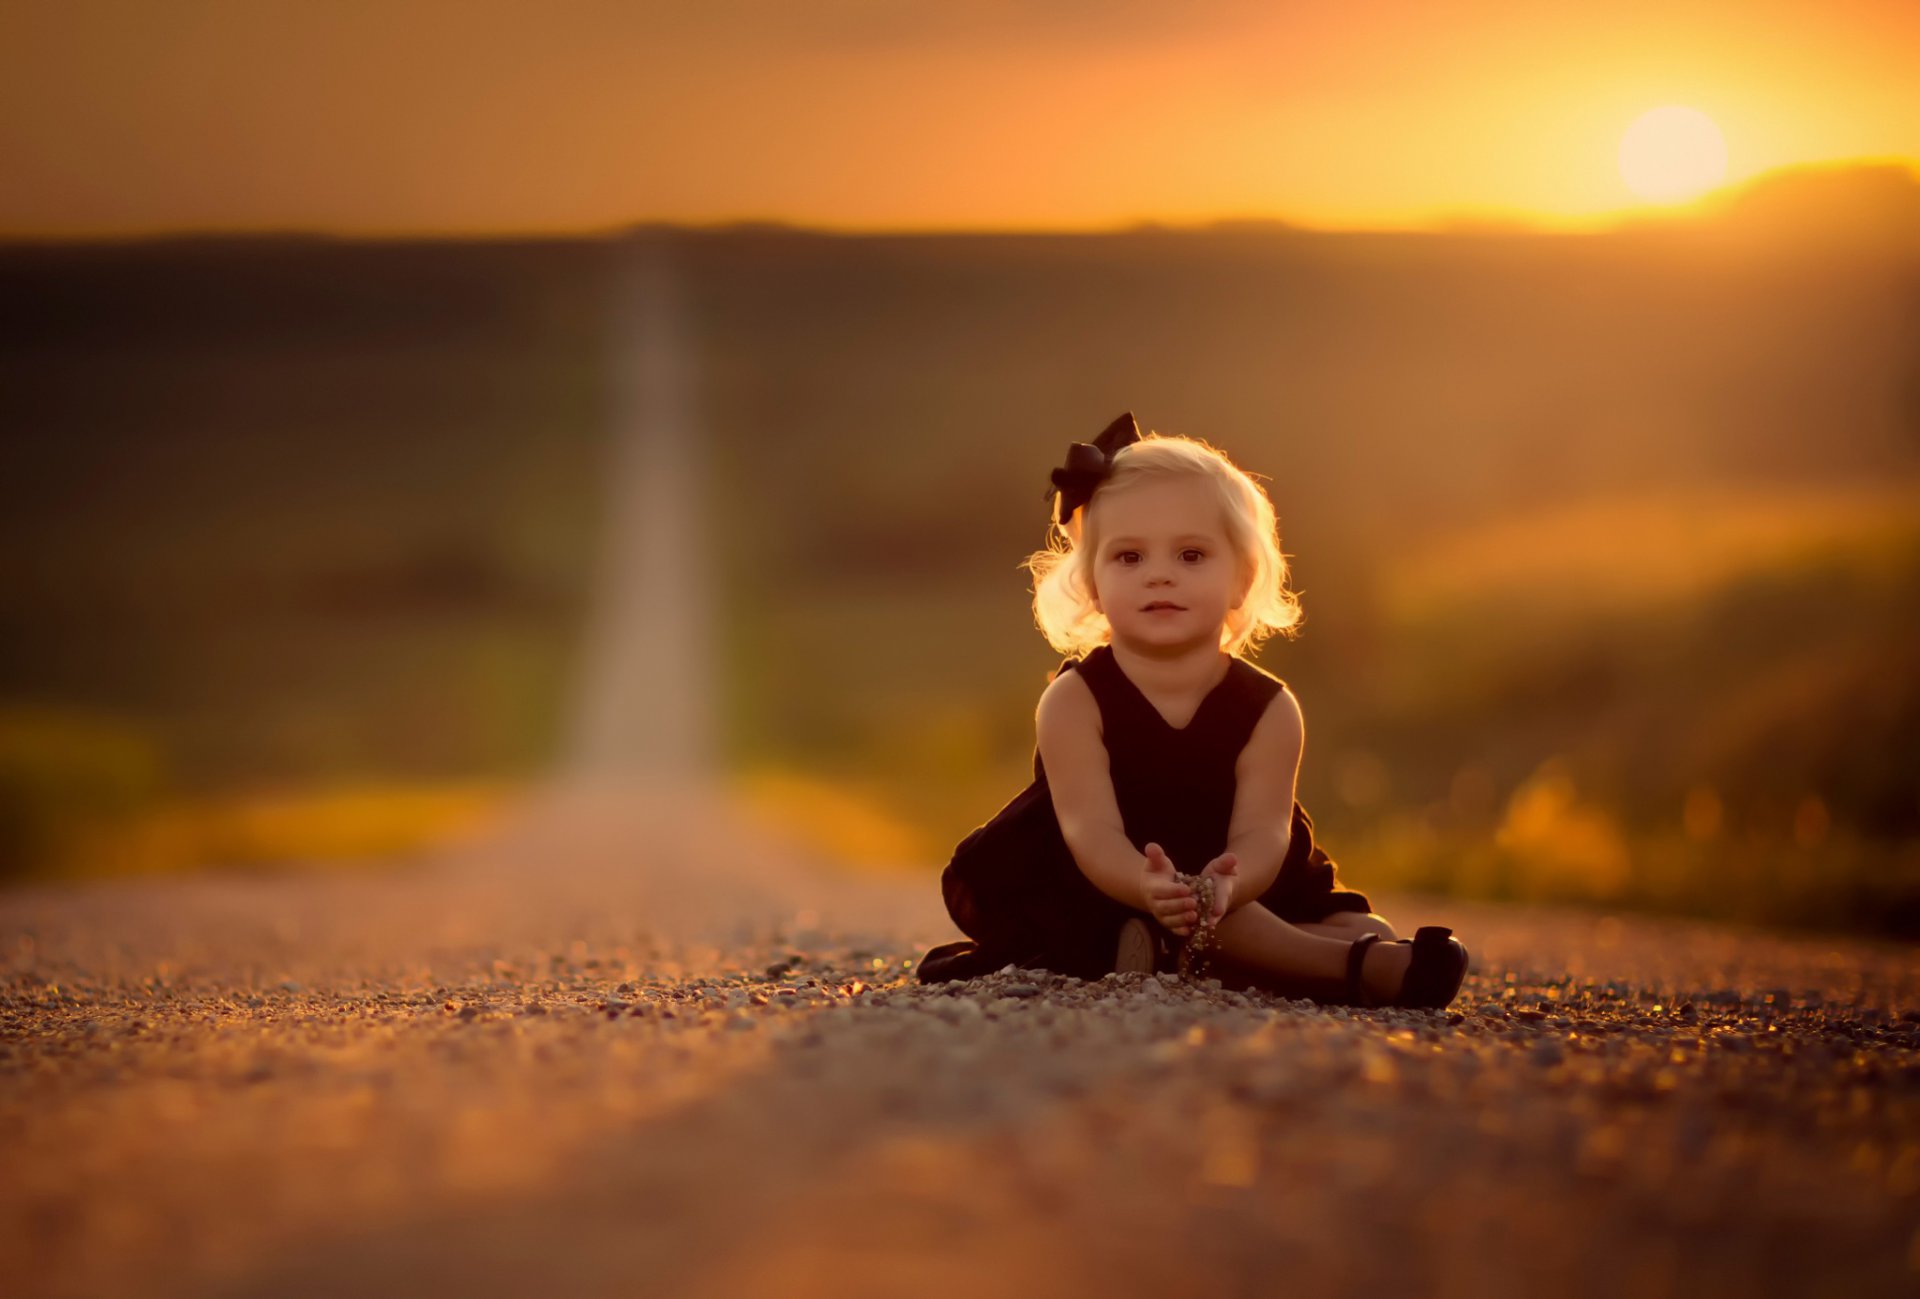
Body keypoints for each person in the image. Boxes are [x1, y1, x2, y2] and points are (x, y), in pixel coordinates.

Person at [914, 413, 1470, 1009]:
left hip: (1233, 878)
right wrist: (1147, 886)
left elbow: (1264, 831)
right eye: (1129, 558)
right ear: (1094, 586)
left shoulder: (1271, 709)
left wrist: (1229, 885)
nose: (1159, 575)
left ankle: (1198, 949)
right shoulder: (1073, 701)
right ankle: (1347, 972)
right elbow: (1088, 831)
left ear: (1241, 581)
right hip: (1104, 881)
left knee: (1367, 928)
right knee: (1195, 915)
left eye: (1191, 555)